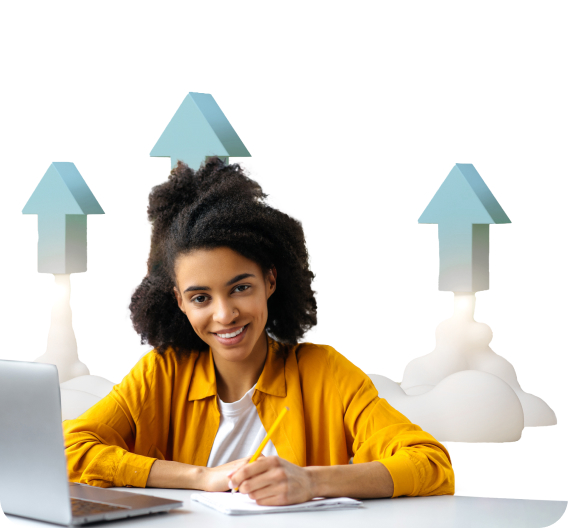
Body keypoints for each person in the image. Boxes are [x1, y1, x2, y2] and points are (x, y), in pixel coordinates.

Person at [63, 158, 454, 505]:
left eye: (240, 288)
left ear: (269, 281)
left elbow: (430, 463)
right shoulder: (161, 374)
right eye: (201, 298)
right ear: (179, 302)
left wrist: (311, 480)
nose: (225, 314)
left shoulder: (325, 374)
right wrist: (198, 478)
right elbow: (65, 449)